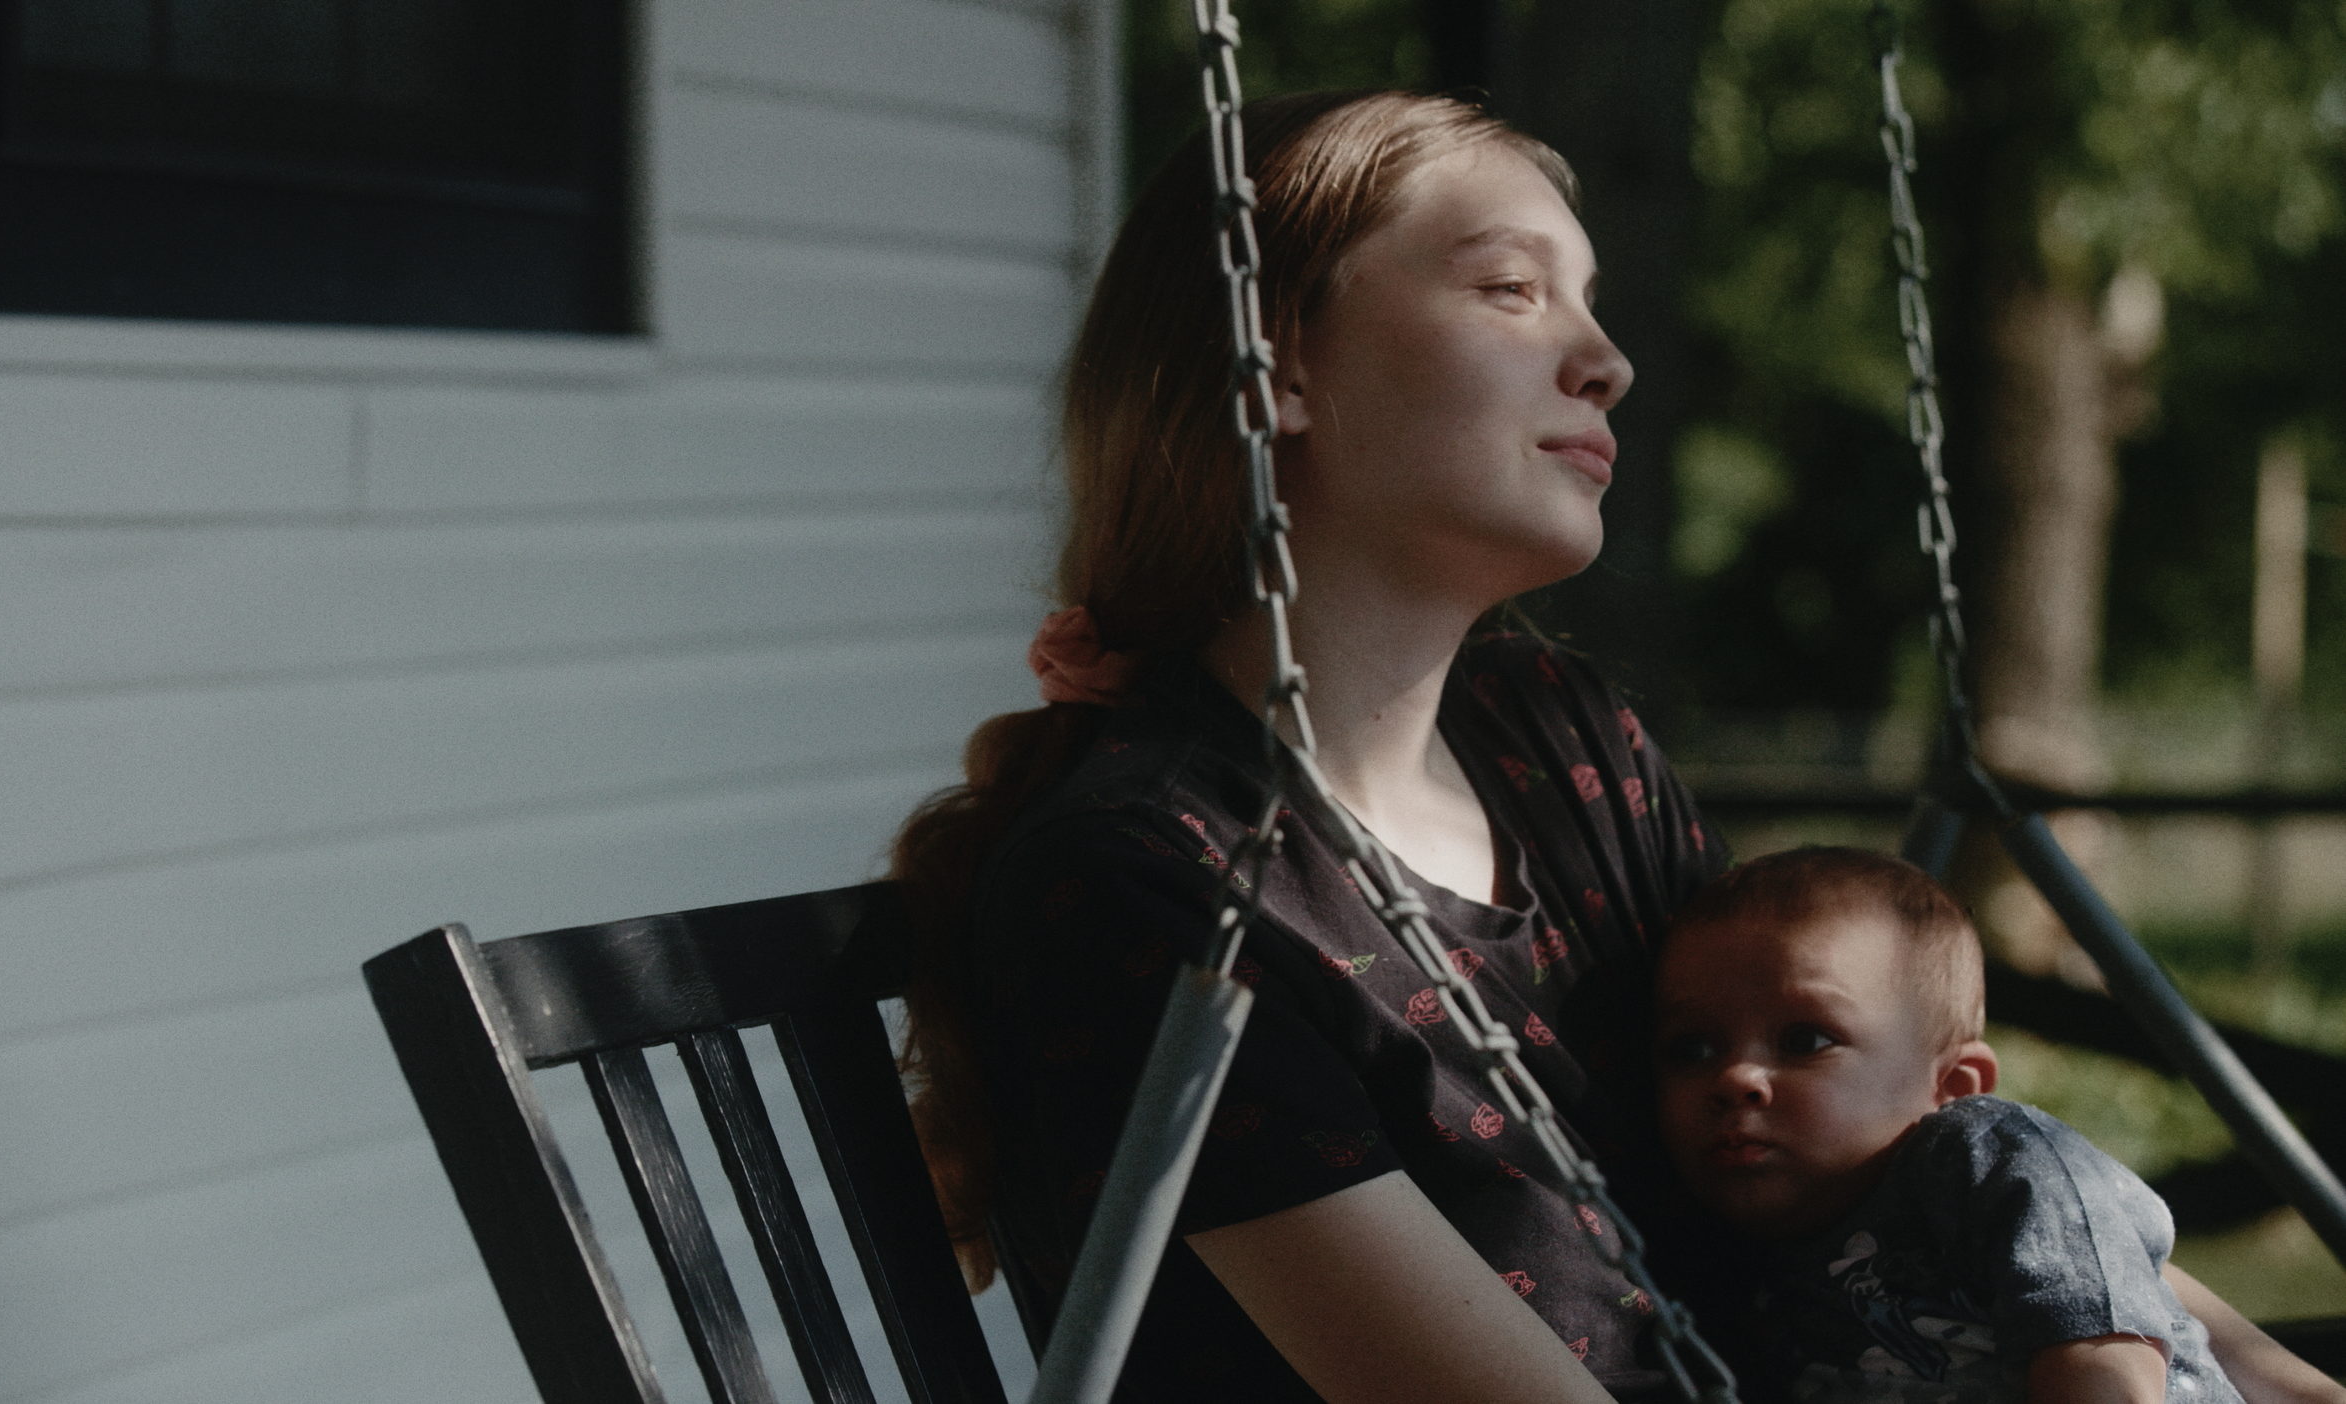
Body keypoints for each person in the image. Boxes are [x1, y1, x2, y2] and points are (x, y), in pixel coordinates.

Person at [888, 89, 2338, 1404]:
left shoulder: (1560, 748)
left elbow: (1901, 1158)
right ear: (1277, 370)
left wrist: (2259, 1378)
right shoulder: (1150, 879)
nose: (1608, 362)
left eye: (1590, 300)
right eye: (1512, 290)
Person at [1653, 847, 2241, 1404]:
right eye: (1692, 1047)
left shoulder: (1987, 1160)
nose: (1735, 1077)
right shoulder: (1728, 1251)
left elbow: (2100, 1346)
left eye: (1805, 1040)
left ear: (1952, 1086)